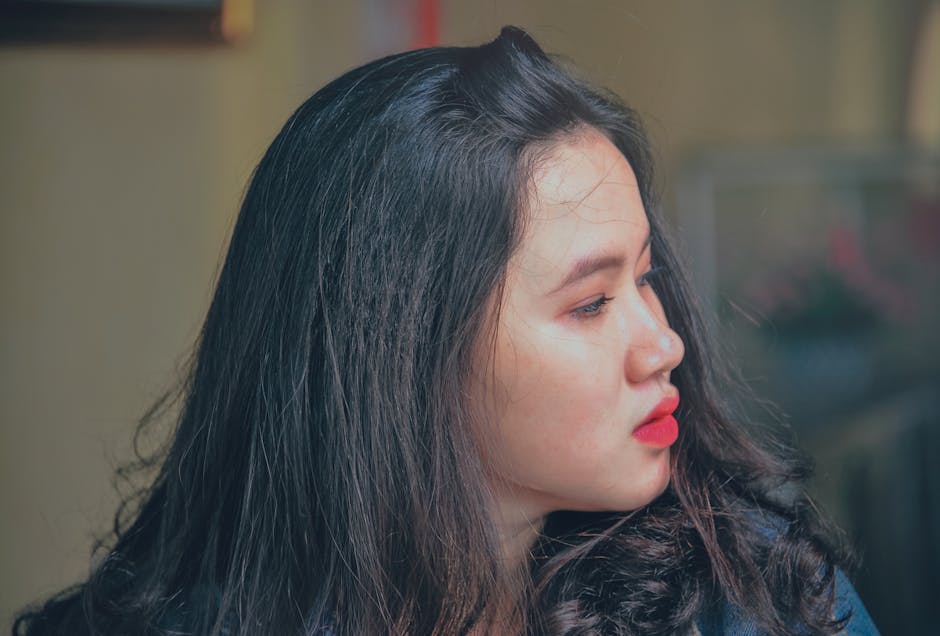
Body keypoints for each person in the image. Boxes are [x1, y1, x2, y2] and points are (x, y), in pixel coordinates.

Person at [14, 26, 879, 636]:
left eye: (645, 277)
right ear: (405, 356)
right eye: (589, 304)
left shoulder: (757, 595)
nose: (663, 345)